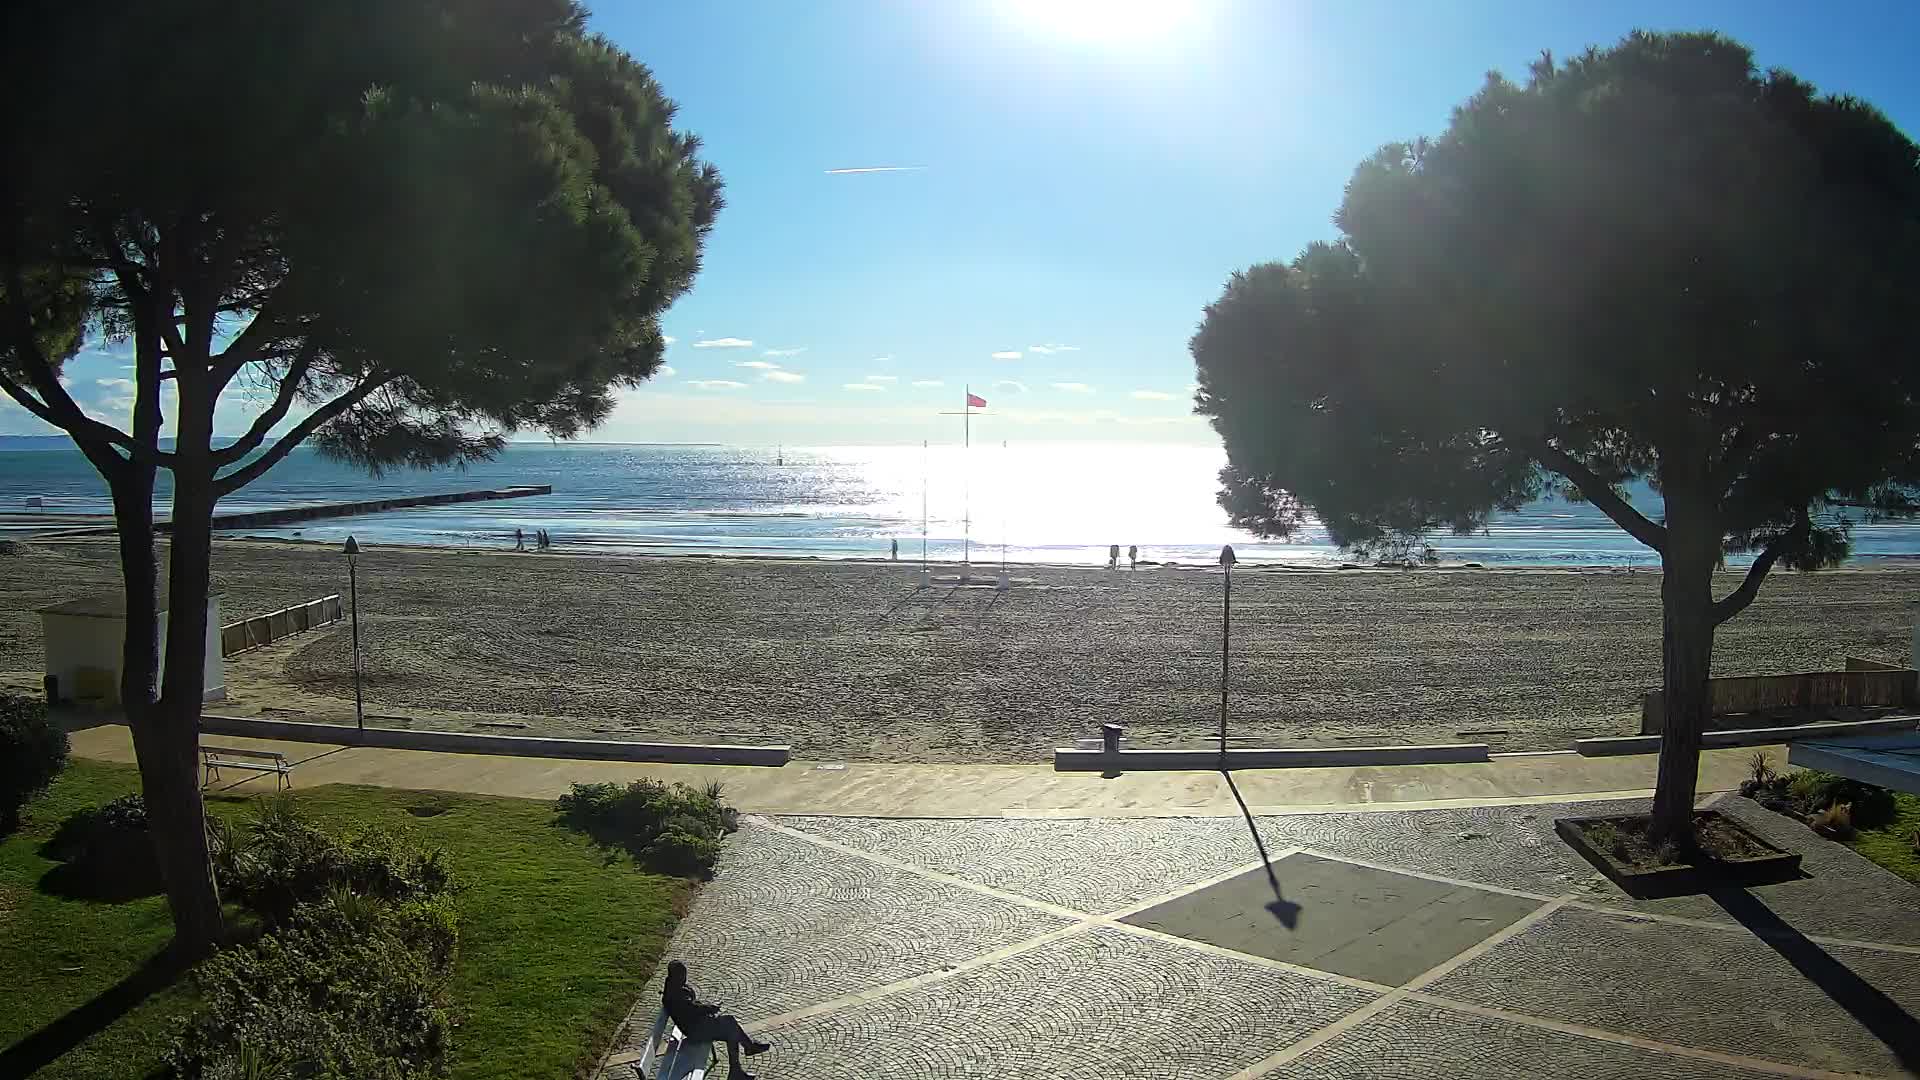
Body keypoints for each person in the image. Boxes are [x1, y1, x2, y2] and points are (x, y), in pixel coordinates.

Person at [662, 960, 769, 1078]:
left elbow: (691, 1007)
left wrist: (707, 1009)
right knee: (730, 1025)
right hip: (695, 1031)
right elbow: (692, 1009)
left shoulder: (675, 987)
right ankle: (744, 1056)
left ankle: (742, 1061)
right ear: (677, 975)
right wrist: (709, 1008)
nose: (685, 977)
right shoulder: (675, 994)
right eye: (683, 974)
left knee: (730, 1025)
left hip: (696, 1025)